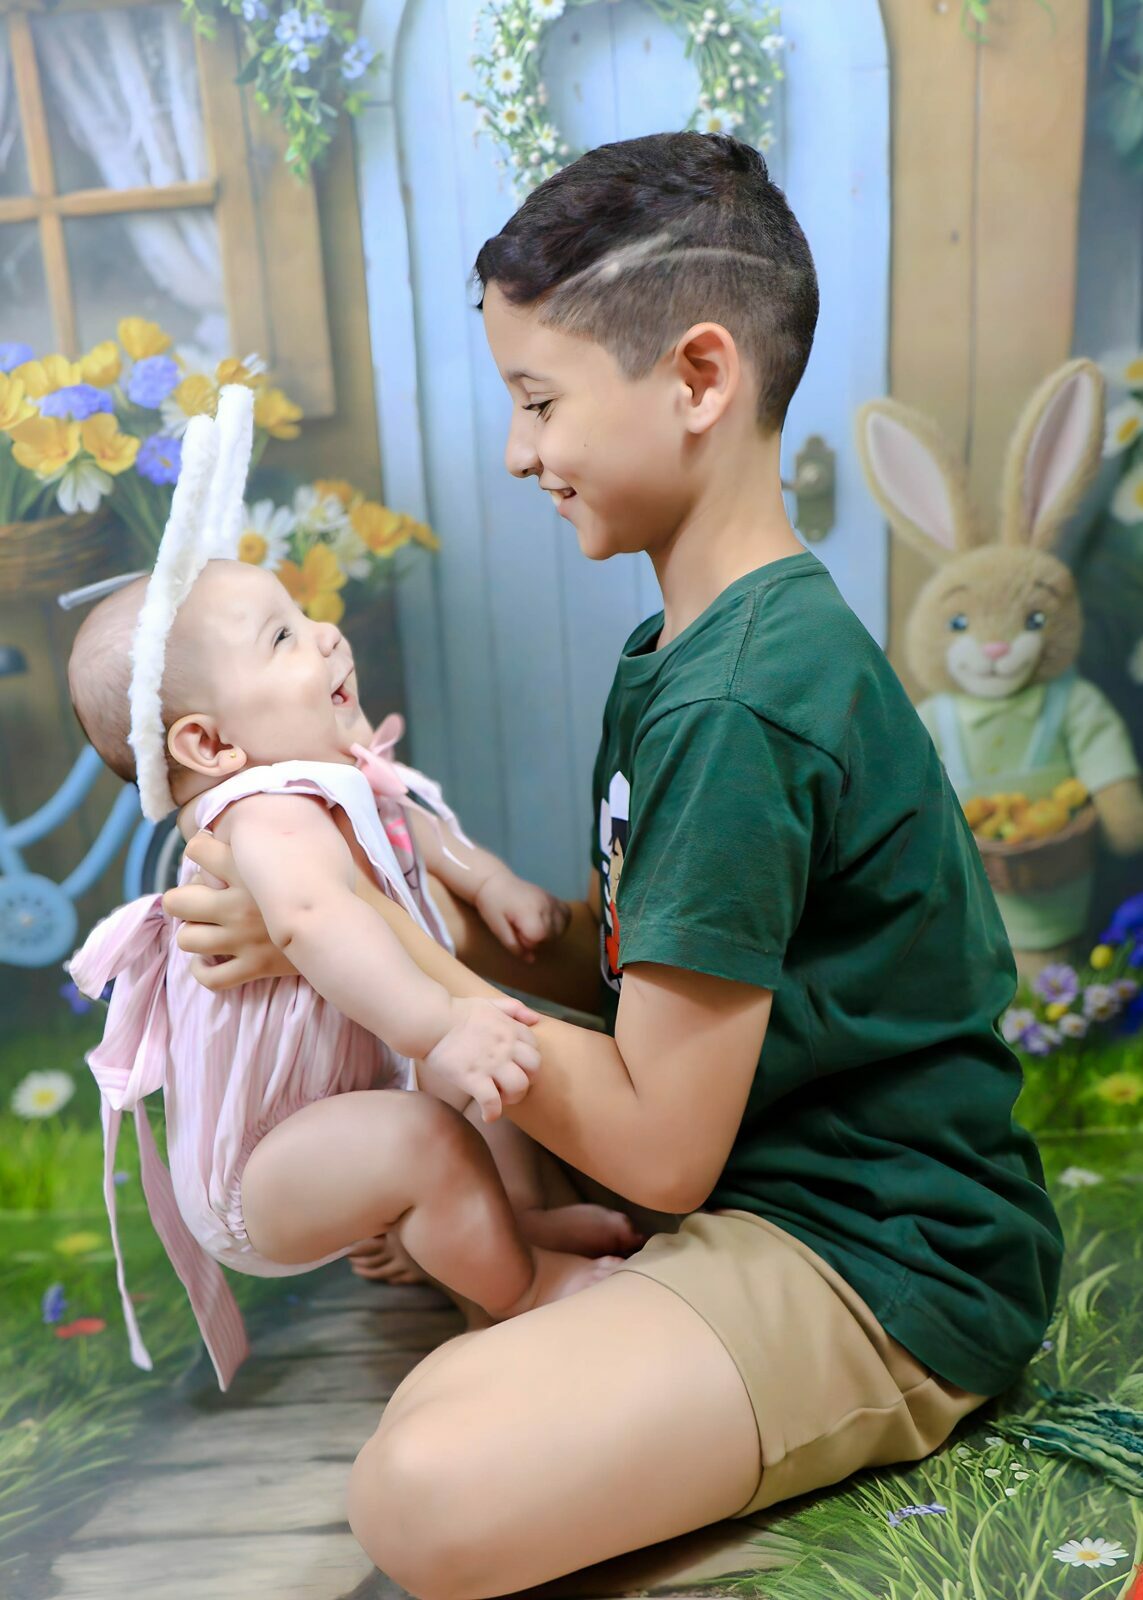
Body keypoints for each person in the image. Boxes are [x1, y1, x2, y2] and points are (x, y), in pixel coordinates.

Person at [165, 134, 1063, 1593]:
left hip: (881, 1248)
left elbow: (658, 1145)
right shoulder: (688, 649)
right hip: (759, 1187)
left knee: (421, 1493)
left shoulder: (738, 702)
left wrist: (373, 935)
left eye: (538, 402)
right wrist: (341, 922)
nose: (518, 452)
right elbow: (642, 961)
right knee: (437, 1384)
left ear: (698, 379)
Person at [66, 390, 630, 1391]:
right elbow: (313, 917)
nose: (326, 635)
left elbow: (412, 824)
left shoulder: (332, 775)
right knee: (437, 1110)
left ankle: (514, 1220)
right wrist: (436, 1027)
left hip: (339, 1097)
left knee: (479, 1082)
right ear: (208, 743)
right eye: (282, 640)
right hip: (260, 1169)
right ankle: (523, 1289)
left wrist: (488, 879)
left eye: (304, 616)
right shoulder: (261, 817)